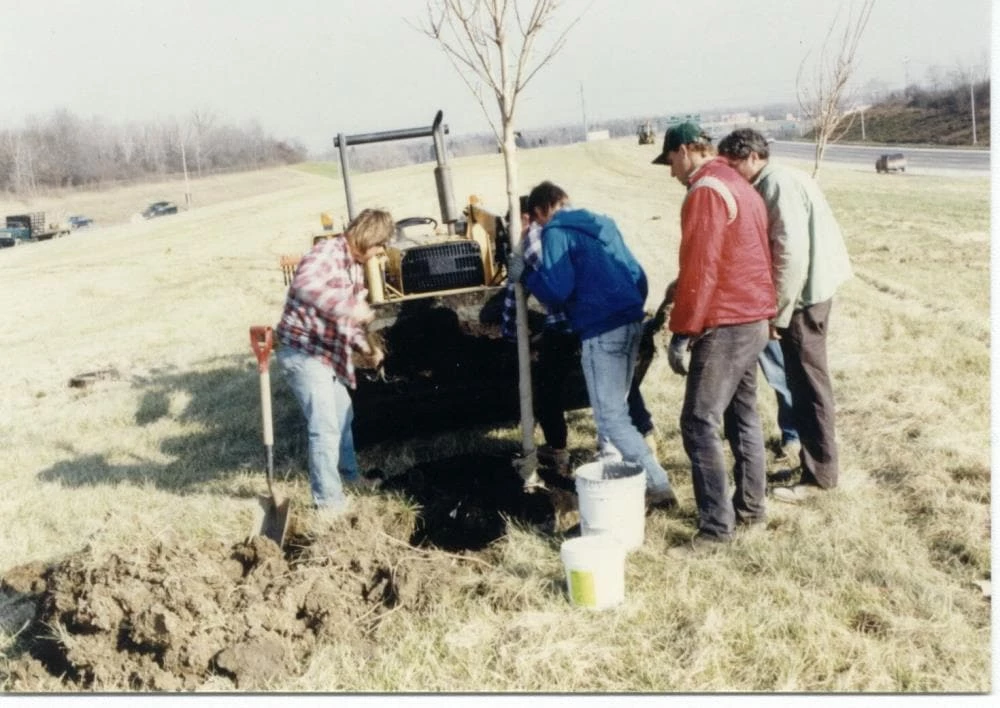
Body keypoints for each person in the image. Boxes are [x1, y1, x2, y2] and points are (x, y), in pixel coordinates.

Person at [651, 122, 776, 548]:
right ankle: (751, 509)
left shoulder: (706, 190)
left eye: (670, 160)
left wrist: (683, 331)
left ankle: (715, 530)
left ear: (686, 150)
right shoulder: (738, 184)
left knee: (698, 421)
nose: (671, 171)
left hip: (727, 322)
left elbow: (701, 268)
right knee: (742, 415)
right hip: (753, 319)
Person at [520, 181, 677, 508]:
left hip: (601, 330)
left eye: (535, 219)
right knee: (619, 409)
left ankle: (657, 485)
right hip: (631, 322)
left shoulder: (555, 231)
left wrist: (526, 275)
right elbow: (638, 275)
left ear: (539, 211)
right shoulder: (602, 225)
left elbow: (557, 291)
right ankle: (622, 472)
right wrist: (629, 309)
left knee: (611, 418)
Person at [717, 128, 852, 503]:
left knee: (808, 386)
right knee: (802, 383)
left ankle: (820, 477)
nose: (731, 174)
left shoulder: (775, 184)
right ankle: (814, 464)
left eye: (733, 165)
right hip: (809, 294)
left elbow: (790, 255)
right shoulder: (782, 176)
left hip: (803, 301)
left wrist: (777, 314)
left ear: (752, 157)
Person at [275, 208, 394, 515]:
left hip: (324, 353)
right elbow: (304, 286)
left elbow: (345, 322)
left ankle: (349, 477)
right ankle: (328, 503)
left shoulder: (353, 267)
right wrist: (349, 306)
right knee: (324, 427)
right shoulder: (326, 253)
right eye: (380, 245)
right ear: (368, 238)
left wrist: (366, 349)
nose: (380, 253)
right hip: (302, 352)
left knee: (343, 413)